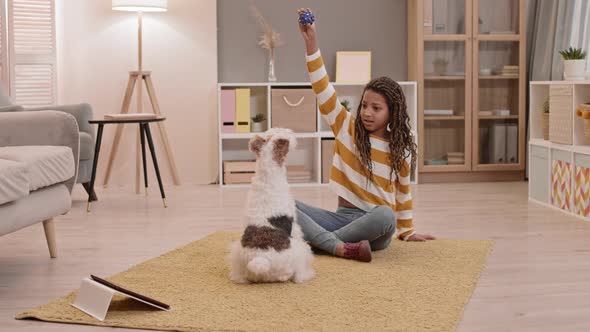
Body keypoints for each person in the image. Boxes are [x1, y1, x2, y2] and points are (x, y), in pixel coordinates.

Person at [295, 8, 436, 263]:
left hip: (375, 229)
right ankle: (337, 247)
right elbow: (322, 87)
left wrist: (408, 232)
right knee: (281, 203)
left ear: (392, 113)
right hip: (341, 218)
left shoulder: (399, 148)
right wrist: (312, 44)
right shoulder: (345, 126)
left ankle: (320, 243)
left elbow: (403, 193)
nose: (367, 113)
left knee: (385, 215)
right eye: (364, 105)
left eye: (376, 108)